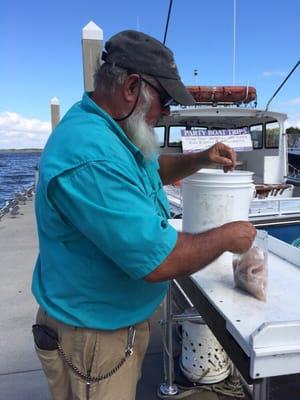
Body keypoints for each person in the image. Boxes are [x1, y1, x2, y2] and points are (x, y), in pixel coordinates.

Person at [32, 30, 256, 400]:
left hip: (109, 327)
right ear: (132, 86)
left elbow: (147, 174)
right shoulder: (91, 154)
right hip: (93, 341)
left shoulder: (110, 129)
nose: (167, 112)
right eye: (165, 100)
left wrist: (201, 159)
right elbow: (160, 260)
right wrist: (228, 236)